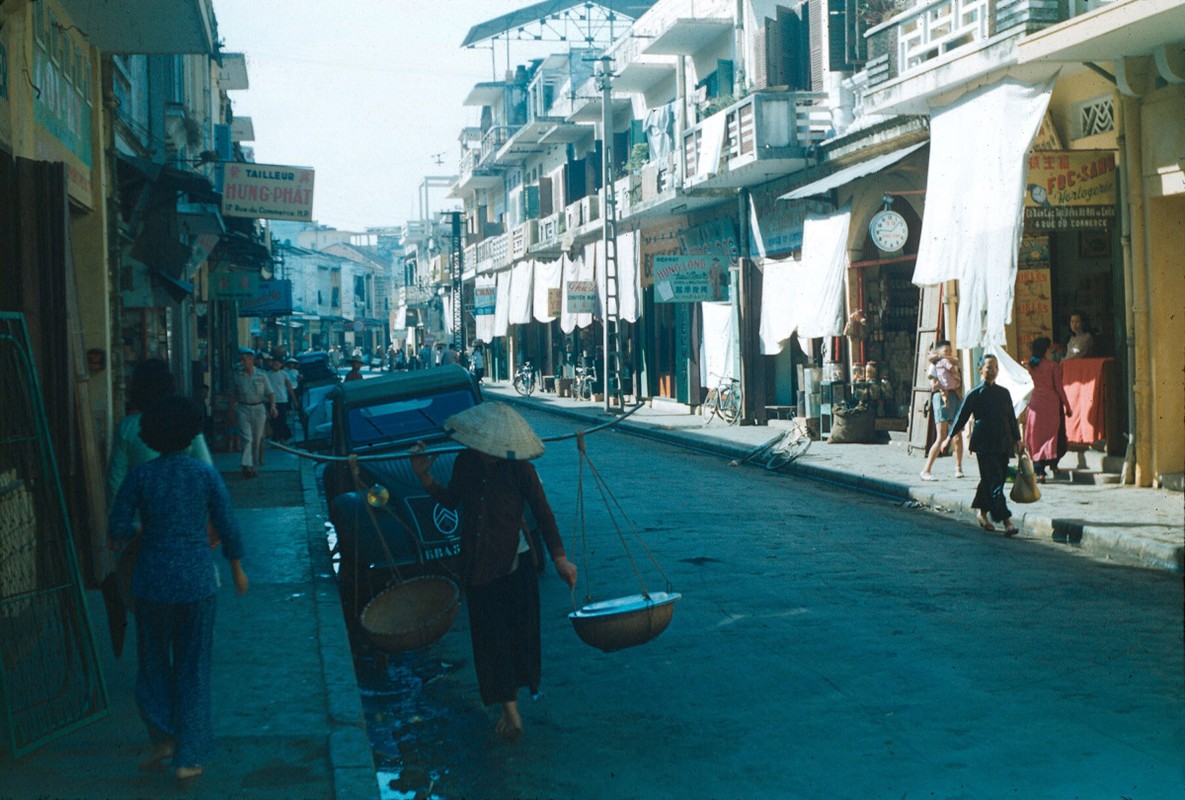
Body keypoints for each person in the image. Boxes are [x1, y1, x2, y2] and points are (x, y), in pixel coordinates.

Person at [409, 403, 577, 737]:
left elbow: (543, 514)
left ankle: (512, 699)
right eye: (480, 447)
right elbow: (451, 501)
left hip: (517, 563)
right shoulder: (465, 463)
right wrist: (424, 476)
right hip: (478, 566)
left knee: (518, 635)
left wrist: (560, 558)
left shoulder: (520, 470)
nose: (485, 454)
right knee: (491, 639)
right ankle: (509, 708)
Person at [108, 395, 248, 784]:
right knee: (193, 669)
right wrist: (237, 568)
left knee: (153, 665)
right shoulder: (205, 475)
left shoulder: (141, 477)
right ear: (190, 434)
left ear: (151, 435)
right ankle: (188, 756)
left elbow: (117, 529)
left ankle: (163, 739)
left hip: (151, 584)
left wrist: (141, 531)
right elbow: (227, 524)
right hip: (198, 584)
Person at [941, 355, 1023, 536]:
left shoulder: (1004, 393)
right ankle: (1007, 521)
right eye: (988, 367)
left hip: (1002, 442)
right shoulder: (974, 393)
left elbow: (1011, 418)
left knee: (995, 479)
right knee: (995, 482)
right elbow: (961, 417)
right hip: (983, 444)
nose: (992, 370)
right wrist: (949, 437)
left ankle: (982, 513)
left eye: (995, 367)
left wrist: (1018, 440)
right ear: (980, 370)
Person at [1023, 337, 1072, 482]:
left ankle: (1039, 472)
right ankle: (1053, 463)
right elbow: (1059, 388)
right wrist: (1067, 406)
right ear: (1046, 349)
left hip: (1036, 404)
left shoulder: (1031, 366)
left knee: (1037, 437)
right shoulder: (1052, 366)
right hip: (1052, 405)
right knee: (1054, 435)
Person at [920, 340, 964, 481]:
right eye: (946, 352)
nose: (948, 355)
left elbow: (957, 380)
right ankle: (926, 470)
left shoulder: (951, 365)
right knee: (941, 436)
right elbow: (934, 385)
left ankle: (958, 467)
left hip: (954, 396)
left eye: (950, 352)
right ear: (938, 353)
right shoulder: (934, 366)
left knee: (958, 435)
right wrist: (944, 390)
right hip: (941, 397)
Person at [231, 348, 276, 478]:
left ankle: (253, 466)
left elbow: (270, 392)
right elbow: (232, 394)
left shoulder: (262, 375)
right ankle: (246, 465)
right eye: (241, 360)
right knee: (247, 438)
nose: (242, 362)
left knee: (256, 439)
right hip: (243, 408)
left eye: (244, 360)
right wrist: (231, 410)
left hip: (258, 408)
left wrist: (273, 407)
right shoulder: (237, 375)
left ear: (251, 360)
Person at [266, 354, 295, 443]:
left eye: (277, 364)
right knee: (274, 421)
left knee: (282, 420)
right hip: (271, 401)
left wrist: (294, 400)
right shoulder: (267, 375)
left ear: (281, 365)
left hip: (282, 400)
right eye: (274, 364)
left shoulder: (284, 374)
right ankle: (276, 438)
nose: (275, 366)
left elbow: (289, 387)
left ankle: (283, 437)